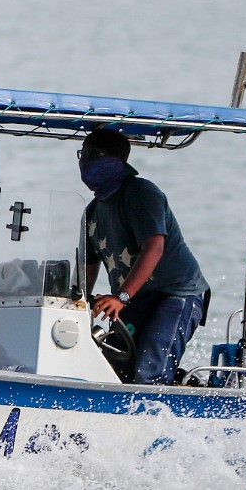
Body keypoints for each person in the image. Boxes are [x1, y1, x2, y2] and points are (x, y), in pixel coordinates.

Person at [80, 127, 209, 385]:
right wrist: (79, 302)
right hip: (134, 300)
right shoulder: (92, 212)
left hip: (175, 294)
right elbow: (87, 264)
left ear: (118, 160)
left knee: (149, 373)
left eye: (95, 155)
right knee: (112, 371)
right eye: (83, 155)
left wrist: (121, 297)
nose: (86, 161)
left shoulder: (141, 193)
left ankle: (160, 403)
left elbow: (154, 248)